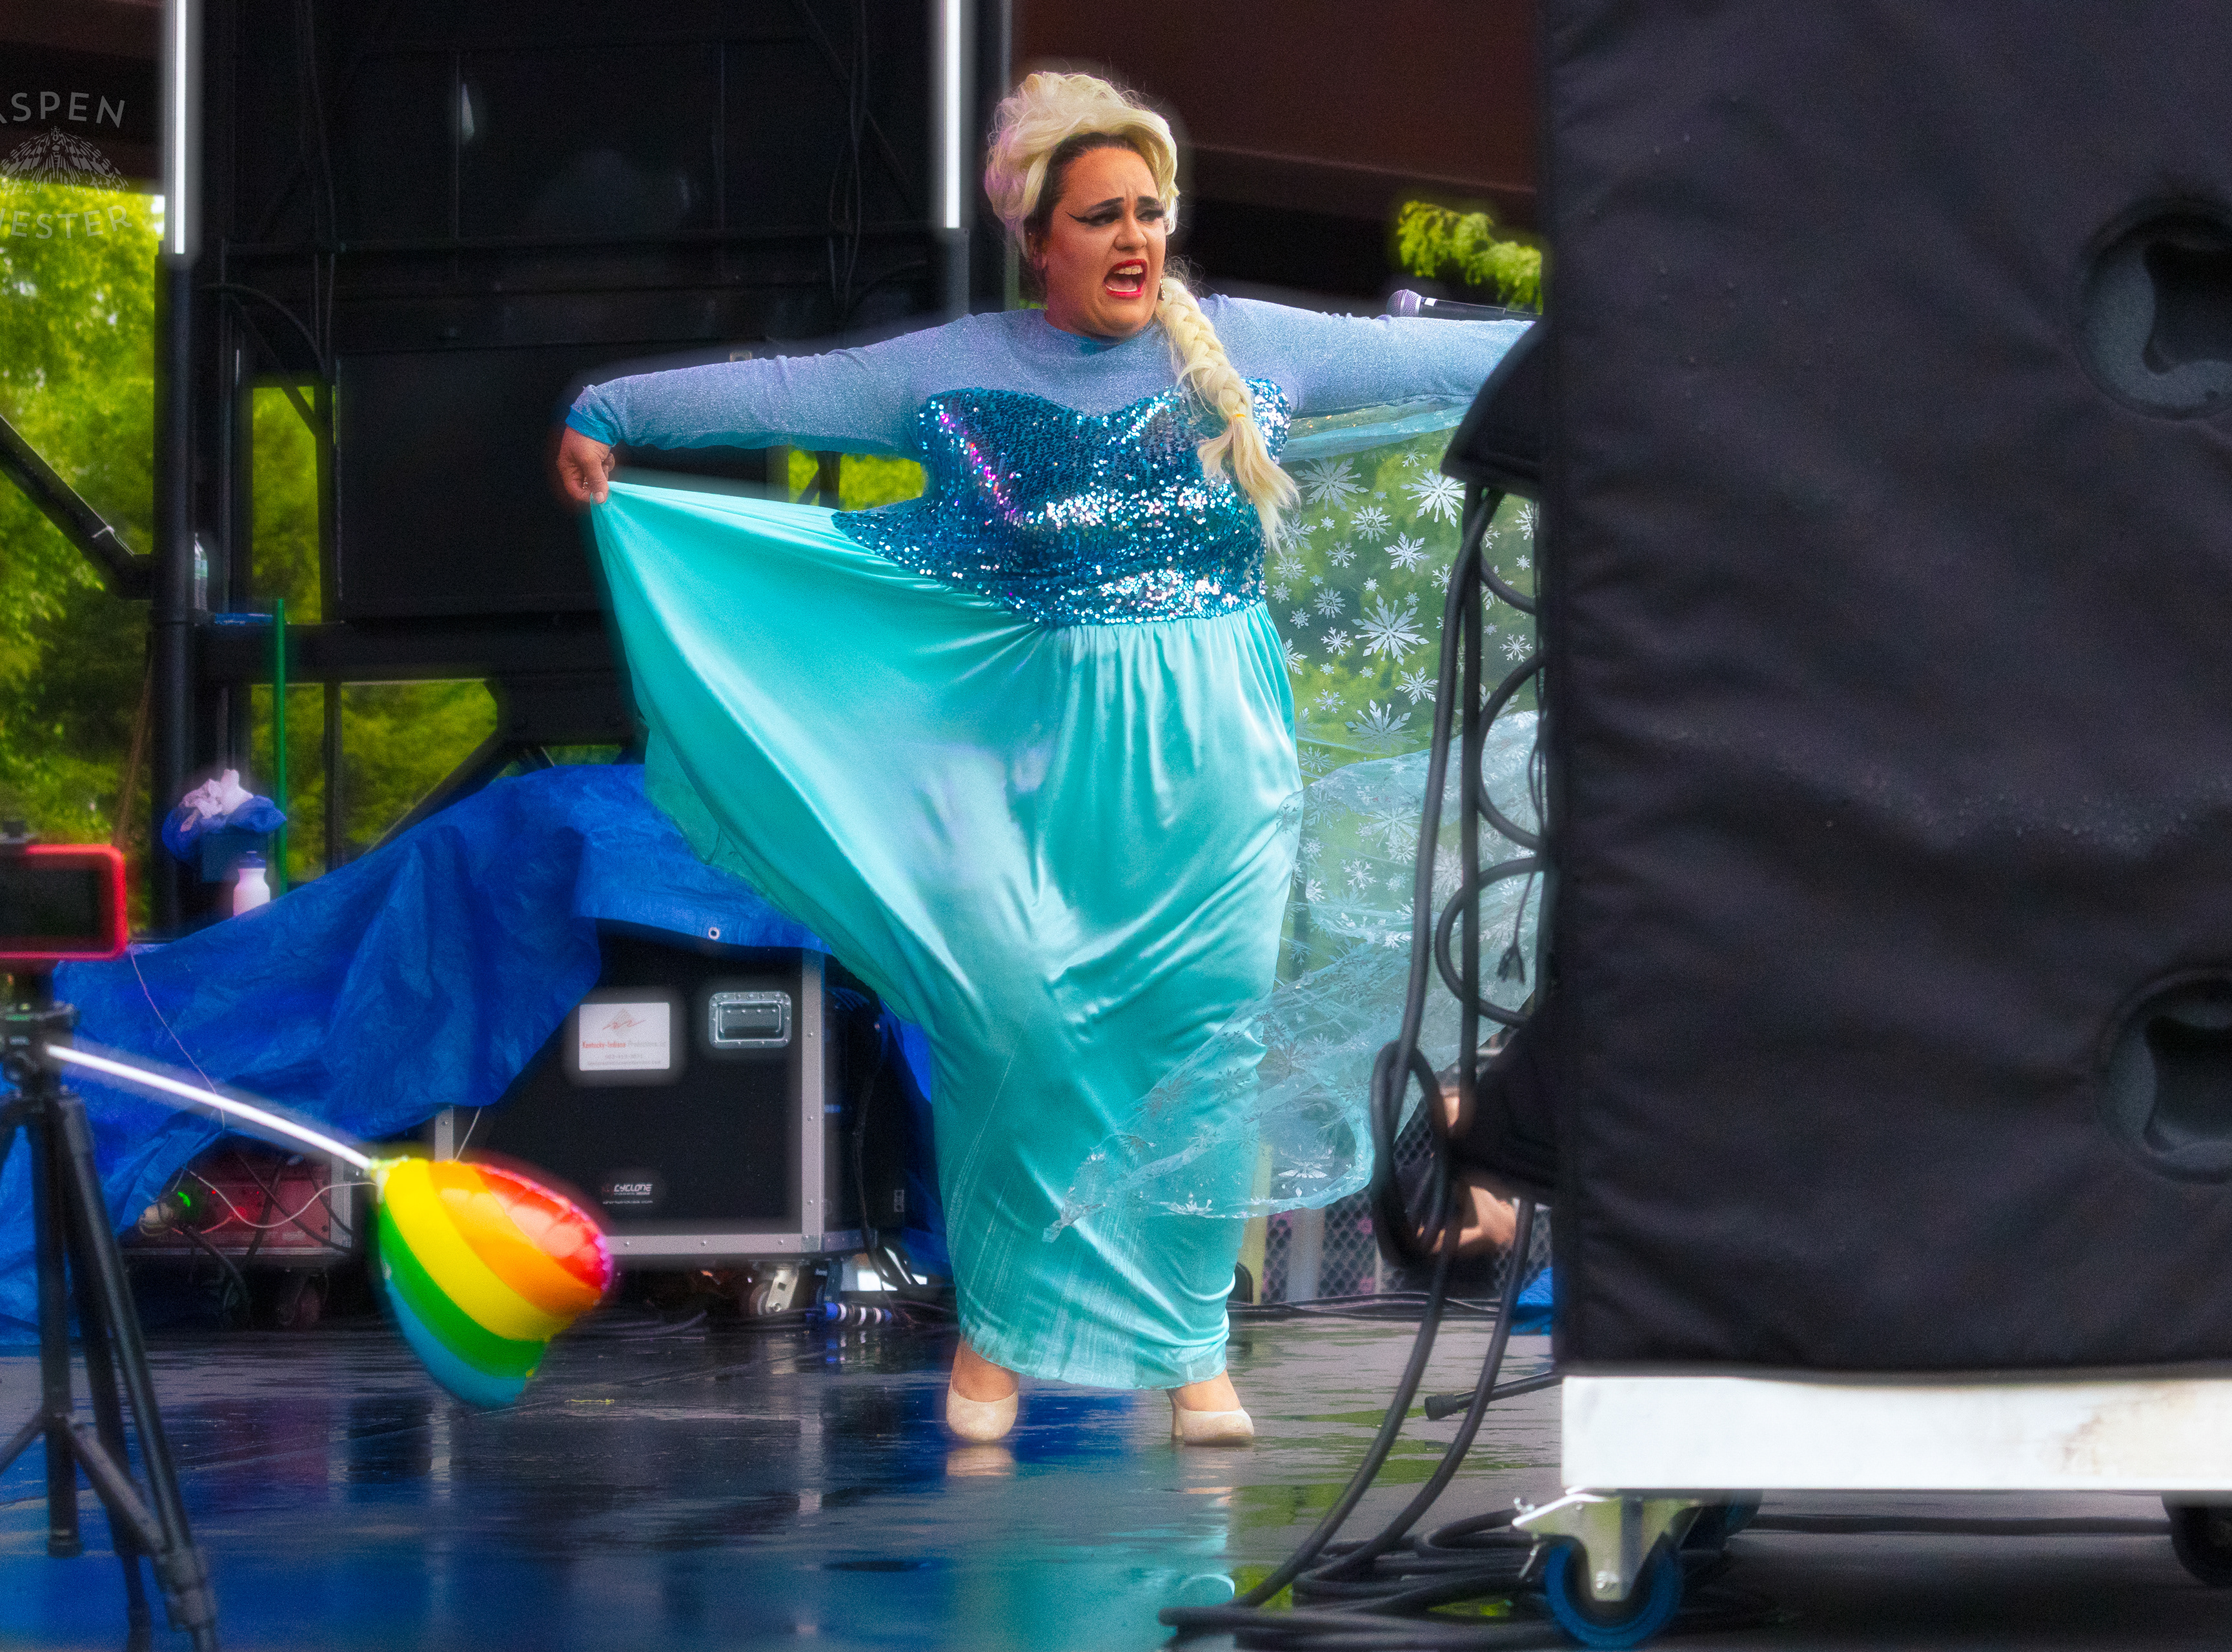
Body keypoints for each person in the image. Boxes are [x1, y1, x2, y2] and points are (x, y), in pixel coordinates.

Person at [555, 71, 1523, 1445]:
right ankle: (1001, 1339)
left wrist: (1629, 323)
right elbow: (786, 387)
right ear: (1041, 241)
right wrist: (615, 405)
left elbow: (1446, 363)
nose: (1136, 238)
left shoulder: (1239, 346)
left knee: (1202, 1042)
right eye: (1102, 216)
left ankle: (1191, 1349)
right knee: (1014, 1029)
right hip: (1043, 770)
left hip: (1220, 770)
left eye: (1151, 211)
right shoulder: (952, 372)